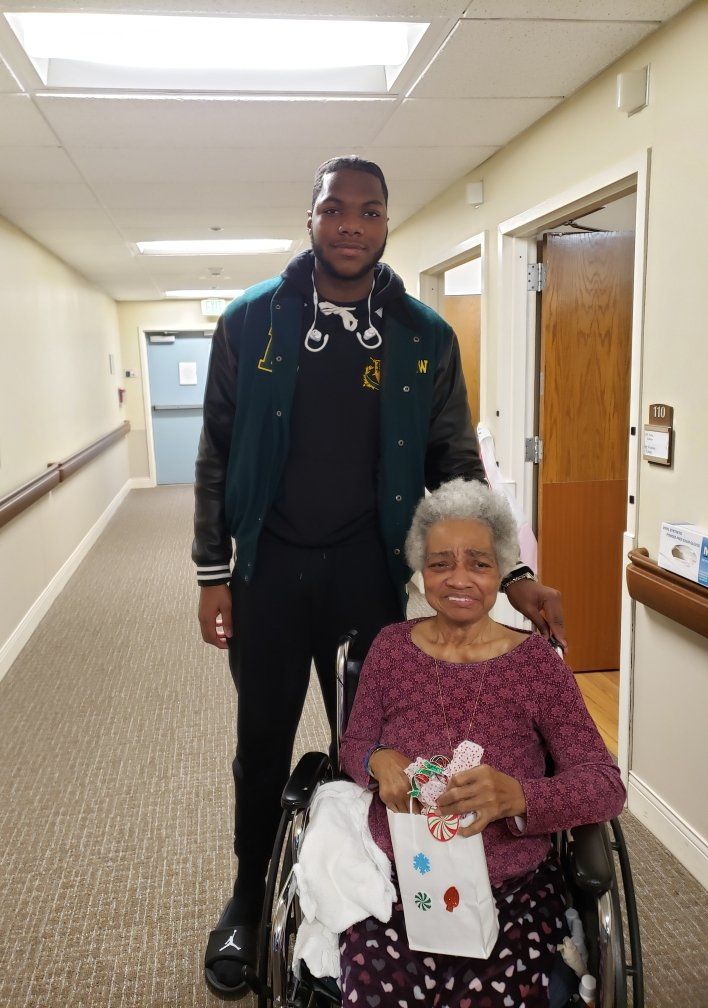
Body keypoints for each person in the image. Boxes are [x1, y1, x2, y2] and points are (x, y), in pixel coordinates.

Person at [193, 156, 567, 997]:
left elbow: (458, 470)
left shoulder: (426, 337)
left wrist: (512, 576)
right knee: (260, 753)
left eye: (369, 210)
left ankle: (370, 898)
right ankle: (250, 897)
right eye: (335, 208)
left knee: (380, 753)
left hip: (369, 574)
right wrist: (211, 575)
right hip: (269, 572)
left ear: (388, 222)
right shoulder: (250, 321)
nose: (351, 224)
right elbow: (215, 452)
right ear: (312, 217)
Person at [339, 479, 625, 1008]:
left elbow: (605, 785)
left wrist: (519, 797)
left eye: (478, 562)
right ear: (421, 572)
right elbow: (353, 742)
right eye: (441, 563)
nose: (459, 579)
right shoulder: (390, 649)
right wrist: (376, 759)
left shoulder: (535, 664)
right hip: (399, 879)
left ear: (501, 572)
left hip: (510, 886)